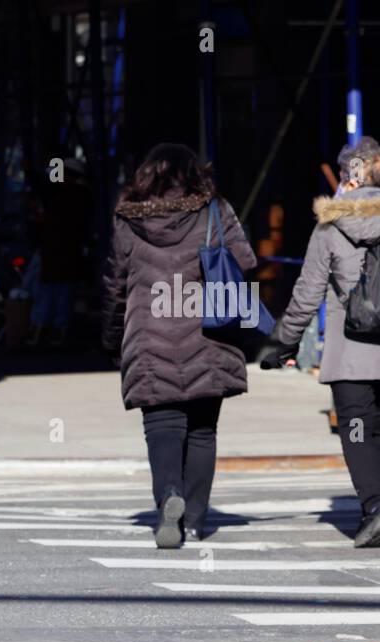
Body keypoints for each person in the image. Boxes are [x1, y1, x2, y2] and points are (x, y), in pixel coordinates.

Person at [102, 143, 256, 548]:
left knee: (162, 428)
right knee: (203, 431)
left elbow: (115, 285)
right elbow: (245, 262)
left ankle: (170, 495)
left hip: (149, 339)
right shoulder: (215, 210)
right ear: (196, 174)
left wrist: (112, 337)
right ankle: (195, 521)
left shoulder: (127, 220)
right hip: (208, 336)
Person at [260, 137, 380, 547]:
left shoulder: (330, 227)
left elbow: (307, 292)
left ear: (349, 179)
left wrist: (282, 344)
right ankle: (379, 507)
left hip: (351, 353)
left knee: (356, 427)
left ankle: (376, 506)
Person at [28, 157, 92, 348]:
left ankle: (43, 332)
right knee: (62, 295)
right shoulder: (81, 195)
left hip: (57, 252)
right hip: (66, 253)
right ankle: (56, 332)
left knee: (49, 295)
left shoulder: (65, 194)